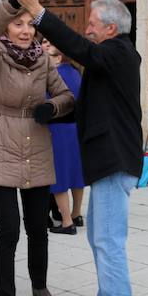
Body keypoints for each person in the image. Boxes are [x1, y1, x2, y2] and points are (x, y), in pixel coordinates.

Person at [14, 0, 143, 296]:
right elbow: (92, 107)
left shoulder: (119, 52)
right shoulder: (111, 58)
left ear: (111, 29)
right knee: (97, 234)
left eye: (92, 23)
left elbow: (79, 48)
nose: (87, 29)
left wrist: (38, 12)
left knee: (108, 236)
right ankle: (108, 293)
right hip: (106, 162)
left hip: (116, 162)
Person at [0, 0, 75, 296]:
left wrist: (53, 107)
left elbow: (66, 96)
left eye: (30, 24)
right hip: (0, 145)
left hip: (36, 145)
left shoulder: (43, 61)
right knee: (9, 229)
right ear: (6, 26)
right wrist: (14, 2)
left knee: (37, 226)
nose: (26, 30)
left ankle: (40, 285)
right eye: (18, 23)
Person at [42, 37, 85, 235]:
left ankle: (67, 222)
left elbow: (46, 103)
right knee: (76, 175)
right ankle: (76, 214)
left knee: (58, 178)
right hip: (75, 128)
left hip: (57, 130)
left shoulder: (55, 76)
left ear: (58, 58)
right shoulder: (77, 72)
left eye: (49, 53)